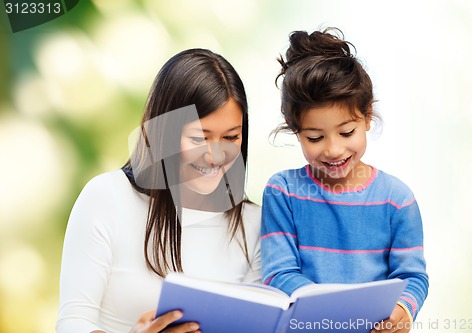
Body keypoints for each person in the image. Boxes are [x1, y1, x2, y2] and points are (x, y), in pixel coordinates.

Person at [56, 48, 261, 333]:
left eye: (231, 137)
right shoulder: (107, 196)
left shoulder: (252, 222)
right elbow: (73, 322)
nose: (216, 156)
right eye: (199, 138)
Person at [261, 28, 429, 333]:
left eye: (347, 132)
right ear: (293, 128)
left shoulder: (397, 198)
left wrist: (402, 310)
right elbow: (278, 274)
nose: (333, 150)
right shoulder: (283, 192)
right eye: (315, 137)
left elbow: (413, 277)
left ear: (367, 117)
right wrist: (335, 311)